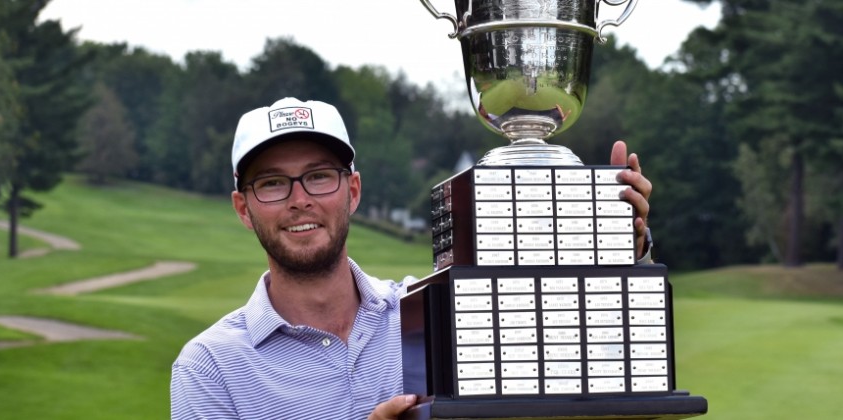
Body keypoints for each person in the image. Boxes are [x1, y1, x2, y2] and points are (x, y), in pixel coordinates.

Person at [170, 97, 653, 420]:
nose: (300, 199)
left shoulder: (427, 316)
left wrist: (609, 251)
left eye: (319, 176)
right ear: (243, 208)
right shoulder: (210, 367)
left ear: (352, 191)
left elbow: (562, 351)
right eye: (272, 182)